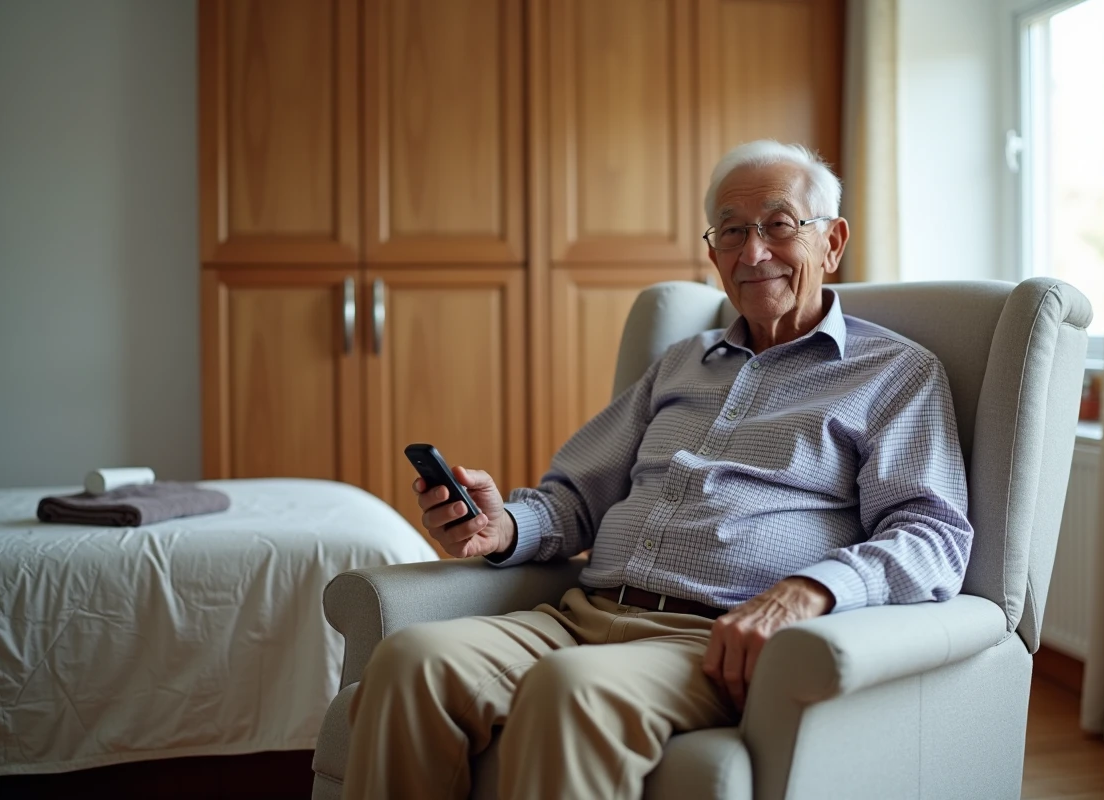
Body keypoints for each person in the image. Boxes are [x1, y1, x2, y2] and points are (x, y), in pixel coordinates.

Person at [342, 140, 973, 800]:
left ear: (832, 243)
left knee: (570, 690)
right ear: (714, 254)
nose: (753, 253)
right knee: (408, 662)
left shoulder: (893, 374)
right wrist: (503, 527)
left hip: (711, 642)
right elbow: (575, 498)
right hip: (582, 617)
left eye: (778, 225)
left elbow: (933, 536)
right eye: (732, 231)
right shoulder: (681, 361)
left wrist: (809, 591)